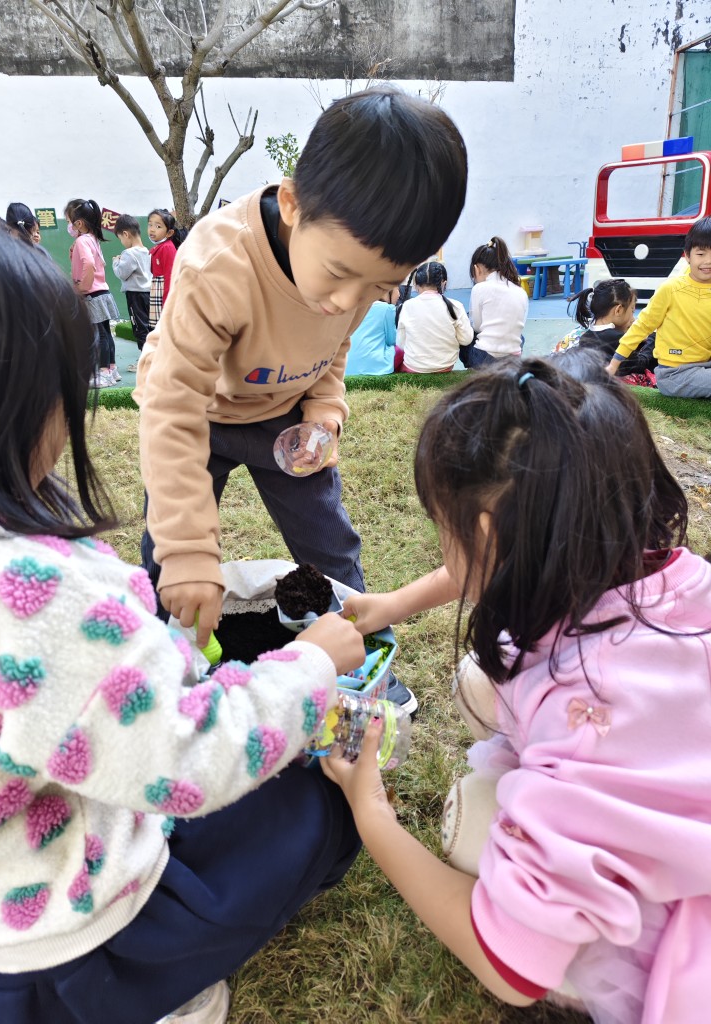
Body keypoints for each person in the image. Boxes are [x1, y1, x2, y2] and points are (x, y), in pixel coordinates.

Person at [0, 207, 367, 1024]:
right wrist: (312, 663)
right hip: (76, 943)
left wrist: (161, 642)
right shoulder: (28, 590)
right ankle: (163, 991)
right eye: (65, 395)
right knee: (318, 808)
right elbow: (189, 757)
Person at [328, 353, 711, 1023]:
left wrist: (370, 809)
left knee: (478, 818)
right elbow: (506, 555)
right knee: (486, 682)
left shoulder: (583, 712)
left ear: (485, 535)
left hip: (686, 947)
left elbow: (510, 970)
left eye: (442, 528)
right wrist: (393, 604)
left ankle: (593, 973)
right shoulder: (667, 573)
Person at [136, 87, 469, 716]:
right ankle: (160, 668)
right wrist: (190, 552)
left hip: (284, 418)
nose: (348, 301)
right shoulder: (218, 265)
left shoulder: (355, 276)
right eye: (339, 274)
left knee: (329, 546)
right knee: (170, 559)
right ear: (292, 204)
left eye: (379, 286)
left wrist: (322, 413)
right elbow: (172, 408)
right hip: (197, 414)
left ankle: (358, 662)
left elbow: (332, 350)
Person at [606, 217, 711, 397]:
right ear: (687, 255)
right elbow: (642, 326)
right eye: (701, 254)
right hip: (674, 373)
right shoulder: (671, 289)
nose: (708, 261)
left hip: (705, 366)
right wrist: (613, 364)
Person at [65, 198, 122, 390]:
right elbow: (97, 264)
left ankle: (103, 373)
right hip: (102, 291)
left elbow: (89, 264)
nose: (69, 226)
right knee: (106, 333)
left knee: (99, 336)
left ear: (79, 223)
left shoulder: (82, 241)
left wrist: (82, 286)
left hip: (92, 294)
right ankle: (111, 369)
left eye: (69, 222)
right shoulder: (92, 239)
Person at [568, 277, 656, 385]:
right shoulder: (617, 337)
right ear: (618, 310)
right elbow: (641, 364)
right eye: (632, 310)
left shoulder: (585, 337)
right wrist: (652, 337)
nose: (633, 319)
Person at [394, 261, 473, 373]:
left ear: (415, 284)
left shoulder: (405, 306)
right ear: (444, 283)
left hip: (413, 367)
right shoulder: (455, 306)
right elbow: (466, 339)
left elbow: (401, 343)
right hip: (445, 367)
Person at [463, 236, 528, 366]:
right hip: (514, 357)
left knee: (465, 330)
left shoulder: (479, 288)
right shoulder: (520, 291)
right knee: (519, 336)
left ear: (477, 269)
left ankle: (472, 368)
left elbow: (477, 326)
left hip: (484, 358)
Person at [113, 213, 152, 372]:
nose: (122, 242)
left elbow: (122, 273)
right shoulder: (146, 251)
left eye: (120, 239)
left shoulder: (129, 253)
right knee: (149, 327)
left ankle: (146, 362)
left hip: (135, 295)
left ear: (126, 234)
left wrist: (116, 262)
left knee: (139, 328)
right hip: (148, 293)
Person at [344, 288, 398, 376]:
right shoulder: (387, 309)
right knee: (400, 350)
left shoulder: (349, 308)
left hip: (346, 365)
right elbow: (392, 340)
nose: (399, 294)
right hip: (376, 367)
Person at [147, 208, 182, 330]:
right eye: (150, 225)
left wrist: (167, 303)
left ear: (169, 233)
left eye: (158, 226)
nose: (152, 229)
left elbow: (170, 276)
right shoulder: (160, 247)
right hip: (158, 291)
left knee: (163, 329)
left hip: (163, 293)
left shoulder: (167, 248)